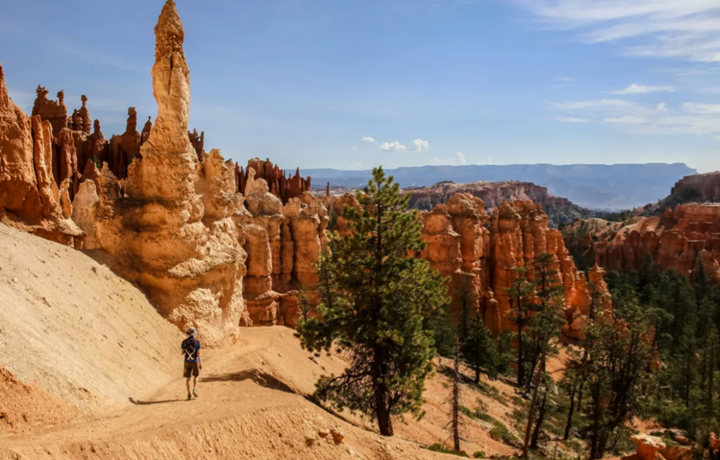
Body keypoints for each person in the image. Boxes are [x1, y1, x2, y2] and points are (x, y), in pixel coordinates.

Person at [182, 327, 202, 400]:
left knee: (188, 379)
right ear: (194, 334)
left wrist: (186, 351)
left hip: (187, 361)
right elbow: (199, 353)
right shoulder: (197, 342)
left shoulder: (184, 342)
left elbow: (181, 353)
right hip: (195, 361)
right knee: (196, 376)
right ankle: (195, 389)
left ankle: (189, 394)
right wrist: (200, 363)